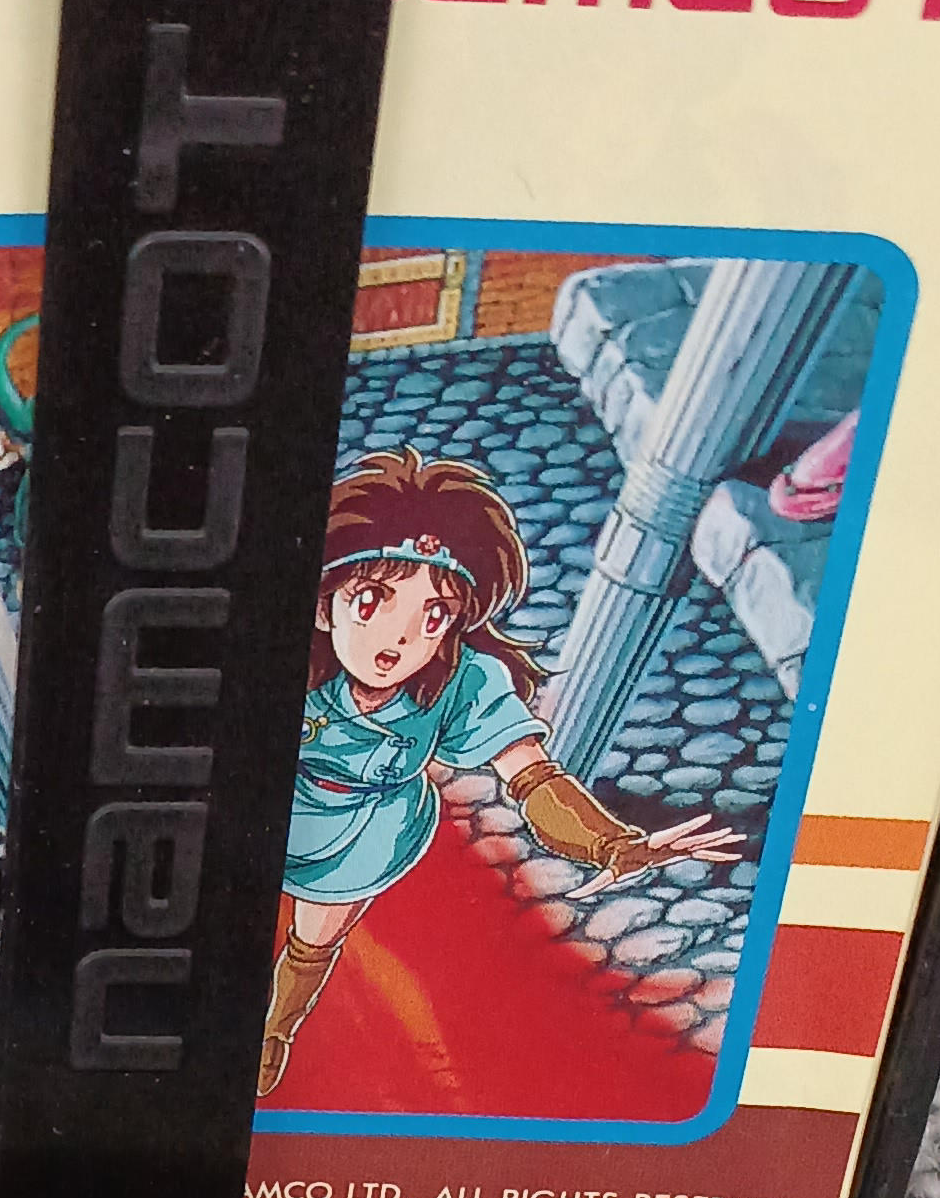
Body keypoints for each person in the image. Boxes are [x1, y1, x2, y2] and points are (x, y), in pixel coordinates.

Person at [259, 447, 743, 1098]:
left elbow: (532, 776)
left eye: (432, 616)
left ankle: (276, 1030)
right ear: (327, 605)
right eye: (372, 600)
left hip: (367, 829)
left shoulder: (462, 681)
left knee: (313, 939)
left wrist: (610, 843)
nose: (398, 638)